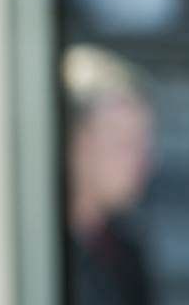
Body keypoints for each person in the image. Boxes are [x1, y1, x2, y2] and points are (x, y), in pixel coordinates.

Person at [64, 45, 154, 305]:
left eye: (144, 144)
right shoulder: (34, 257)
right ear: (77, 144)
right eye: (124, 143)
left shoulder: (124, 250)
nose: (144, 162)